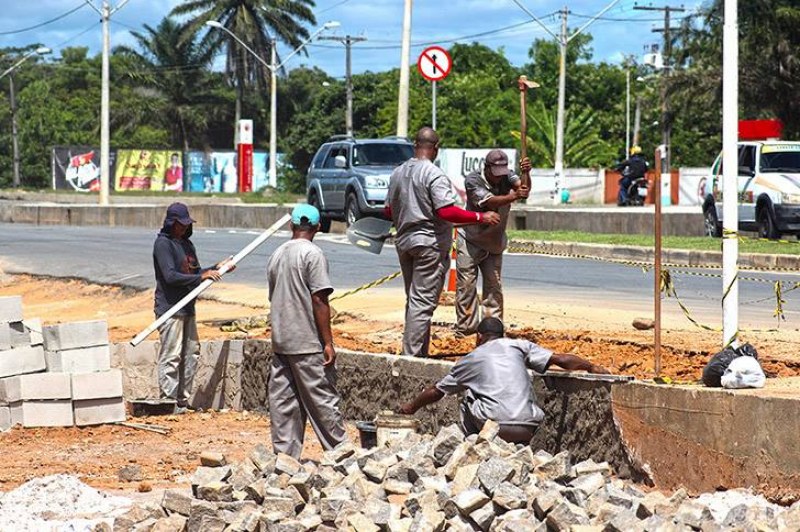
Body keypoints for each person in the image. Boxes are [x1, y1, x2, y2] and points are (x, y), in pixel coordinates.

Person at [398, 317, 610, 443]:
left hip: (495, 426)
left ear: (478, 337)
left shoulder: (471, 359)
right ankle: (521, 449)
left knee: (468, 393)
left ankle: (475, 446)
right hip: (528, 425)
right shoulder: (519, 346)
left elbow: (437, 391)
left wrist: (411, 407)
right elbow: (560, 359)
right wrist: (591, 366)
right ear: (502, 334)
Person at [385, 127, 501, 358]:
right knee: (423, 304)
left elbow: (389, 210)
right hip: (429, 245)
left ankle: (419, 352)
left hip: (405, 242)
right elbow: (446, 211)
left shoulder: (398, 173)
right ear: (435, 148)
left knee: (415, 301)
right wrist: (480, 217)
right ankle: (411, 358)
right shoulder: (433, 174)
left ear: (414, 145)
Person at [266, 204, 347, 458]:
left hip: (282, 341)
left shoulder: (277, 254)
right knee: (322, 401)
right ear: (318, 227)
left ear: (291, 226)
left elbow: (274, 295)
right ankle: (340, 455)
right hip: (307, 342)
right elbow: (319, 300)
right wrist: (327, 342)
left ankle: (285, 460)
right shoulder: (313, 254)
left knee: (283, 404)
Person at [152, 203, 233, 413]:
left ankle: (182, 400)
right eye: (179, 224)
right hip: (170, 309)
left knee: (191, 353)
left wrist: (217, 268)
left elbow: (196, 273)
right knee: (172, 355)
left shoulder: (187, 245)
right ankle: (168, 401)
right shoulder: (163, 244)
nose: (182, 228)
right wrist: (201, 276)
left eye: (185, 225)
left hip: (188, 307)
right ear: (171, 223)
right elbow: (170, 276)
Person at [455, 150, 531, 336]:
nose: (499, 178)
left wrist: (526, 173)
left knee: (493, 287)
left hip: (494, 242)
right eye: (495, 173)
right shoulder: (473, 180)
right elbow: (489, 202)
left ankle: (492, 330)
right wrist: (514, 196)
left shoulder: (508, 175)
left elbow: (524, 189)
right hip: (470, 239)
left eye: (501, 173)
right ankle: (466, 329)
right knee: (466, 286)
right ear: (487, 168)